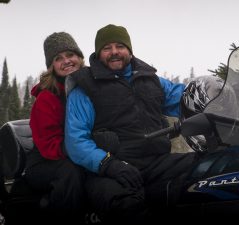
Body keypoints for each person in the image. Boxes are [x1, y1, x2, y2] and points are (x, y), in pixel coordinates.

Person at [64, 24, 198, 223]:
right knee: (127, 208)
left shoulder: (150, 80)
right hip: (110, 169)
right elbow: (76, 141)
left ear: (129, 50)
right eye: (107, 48)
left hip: (157, 161)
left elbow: (185, 100)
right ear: (98, 53)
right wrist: (108, 164)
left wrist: (217, 98)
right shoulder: (85, 88)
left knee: (205, 170)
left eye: (120, 46)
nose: (115, 52)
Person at [24, 32, 86, 224]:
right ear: (52, 66)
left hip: (81, 151)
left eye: (70, 55)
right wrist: (82, 148)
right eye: (58, 58)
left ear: (79, 57)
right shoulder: (47, 98)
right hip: (45, 162)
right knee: (70, 173)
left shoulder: (89, 86)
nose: (66, 61)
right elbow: (49, 146)